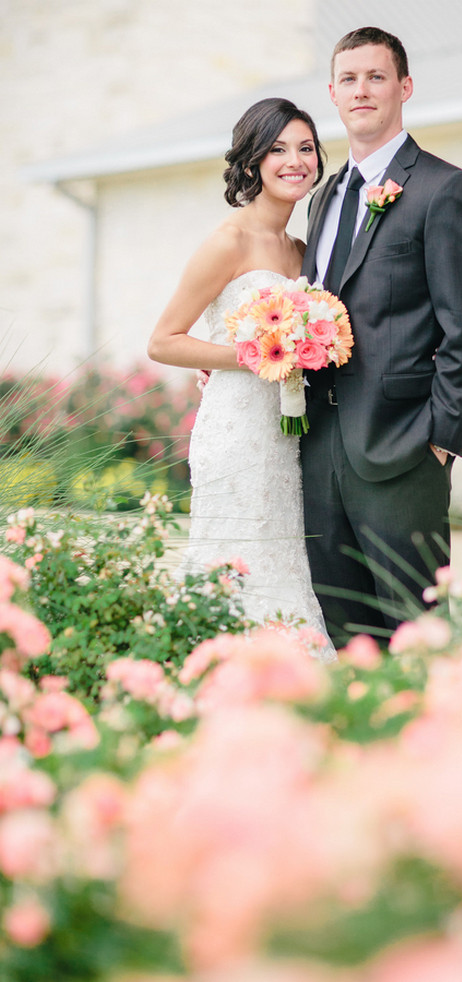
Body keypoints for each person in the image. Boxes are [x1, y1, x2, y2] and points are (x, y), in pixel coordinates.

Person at [300, 27, 462, 647]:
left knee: (418, 633)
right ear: (333, 94)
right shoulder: (324, 195)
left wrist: (442, 436)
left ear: (404, 87)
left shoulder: (446, 190)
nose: (362, 90)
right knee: (345, 629)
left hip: (403, 448)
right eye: (350, 80)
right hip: (318, 445)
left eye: (376, 77)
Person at [147, 97, 334, 656]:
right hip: (235, 433)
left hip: (289, 436)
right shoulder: (228, 241)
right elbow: (163, 341)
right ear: (253, 161)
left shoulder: (303, 250)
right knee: (236, 557)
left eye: (305, 148)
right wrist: (257, 355)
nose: (294, 160)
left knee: (282, 559)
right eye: (278, 149)